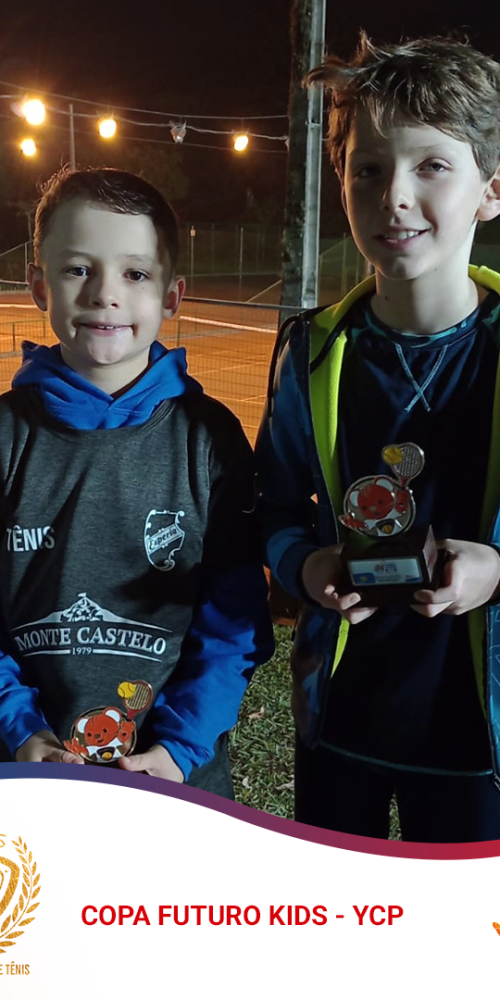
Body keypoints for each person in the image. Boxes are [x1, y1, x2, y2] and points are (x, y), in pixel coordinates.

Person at [256, 33, 500, 842]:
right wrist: (307, 565)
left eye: (432, 166)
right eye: (368, 168)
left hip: (477, 742)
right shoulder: (312, 353)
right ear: (343, 183)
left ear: (491, 190)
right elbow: (273, 506)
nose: (394, 194)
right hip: (341, 726)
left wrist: (496, 569)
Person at [0, 166, 273, 796]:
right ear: (39, 286)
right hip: (28, 772)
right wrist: (21, 731)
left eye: (135, 274)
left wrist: (179, 748)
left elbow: (234, 619)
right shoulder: (7, 438)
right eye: (78, 269)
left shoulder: (209, 439)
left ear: (171, 296)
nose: (105, 294)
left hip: (176, 776)